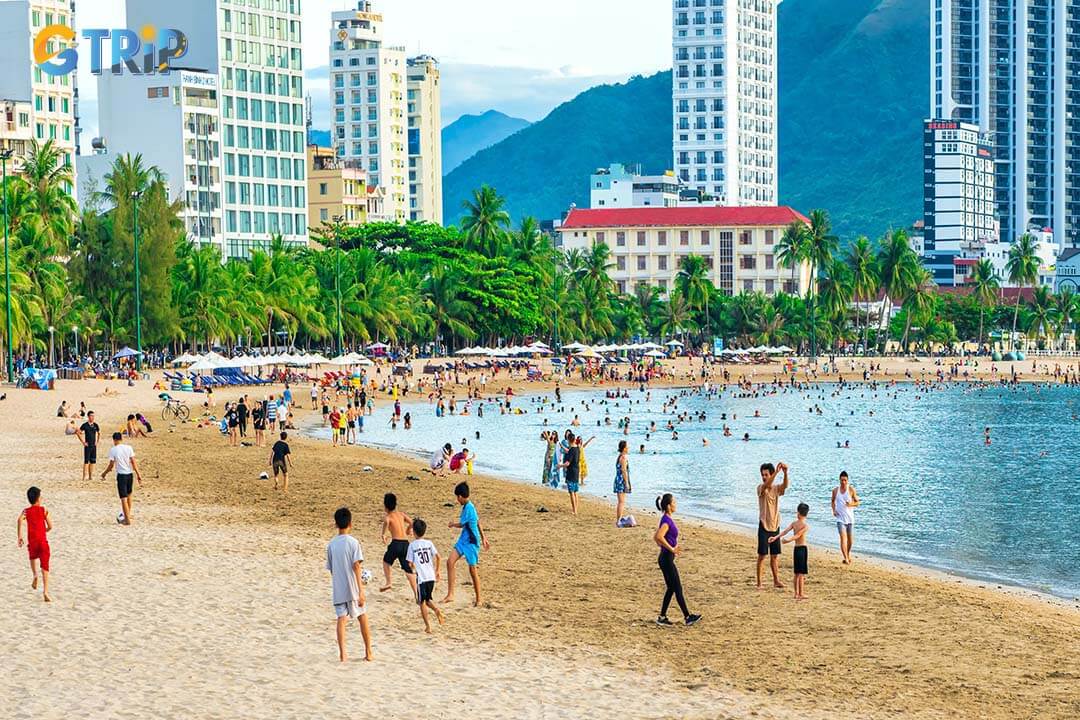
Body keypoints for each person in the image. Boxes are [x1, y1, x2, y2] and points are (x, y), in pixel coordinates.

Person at [326, 507, 372, 662]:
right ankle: (368, 652)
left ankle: (343, 654)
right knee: (362, 616)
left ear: (336, 524)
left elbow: (331, 569)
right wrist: (361, 591)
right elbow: (357, 566)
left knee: (341, 619)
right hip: (353, 588)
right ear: (350, 524)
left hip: (339, 589)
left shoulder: (331, 544)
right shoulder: (353, 543)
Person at [653, 493, 701, 626]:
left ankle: (662, 617)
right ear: (668, 506)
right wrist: (671, 549)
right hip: (666, 559)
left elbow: (656, 538)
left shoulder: (665, 519)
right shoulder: (667, 521)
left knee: (671, 588)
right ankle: (687, 617)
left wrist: (667, 546)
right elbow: (658, 536)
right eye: (674, 502)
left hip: (665, 558)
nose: (675, 504)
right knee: (677, 588)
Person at [442, 482, 489, 606]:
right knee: (450, 562)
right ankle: (450, 594)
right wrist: (485, 538)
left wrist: (452, 524)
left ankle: (479, 599)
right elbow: (478, 522)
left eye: (457, 497)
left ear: (461, 496)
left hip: (472, 542)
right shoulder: (468, 506)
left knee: (472, 570)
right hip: (463, 540)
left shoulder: (469, 508)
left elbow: (463, 524)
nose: (457, 500)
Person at [406, 517, 444, 634]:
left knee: (421, 602)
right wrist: (437, 571)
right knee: (427, 600)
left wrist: (412, 568)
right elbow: (438, 557)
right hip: (431, 576)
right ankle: (436, 610)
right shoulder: (429, 543)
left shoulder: (412, 546)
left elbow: (410, 563)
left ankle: (428, 625)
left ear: (414, 532)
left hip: (421, 578)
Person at [756, 461, 790, 590]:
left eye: (766, 474)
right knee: (762, 555)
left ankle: (776, 580)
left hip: (775, 525)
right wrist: (776, 472)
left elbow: (785, 486)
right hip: (764, 525)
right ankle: (759, 582)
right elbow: (766, 485)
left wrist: (785, 473)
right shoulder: (760, 488)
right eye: (762, 475)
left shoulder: (776, 489)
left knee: (775, 556)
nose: (764, 477)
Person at [17, 486, 53, 602]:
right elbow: (50, 526)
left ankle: (35, 575)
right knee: (45, 566)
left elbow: (19, 520)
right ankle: (46, 591)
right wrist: (45, 530)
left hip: (32, 541)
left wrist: (20, 536)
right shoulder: (44, 510)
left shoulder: (26, 511)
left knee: (32, 557)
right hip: (42, 541)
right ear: (38, 499)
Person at [769, 503, 810, 600]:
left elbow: (785, 532)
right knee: (801, 573)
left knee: (797, 573)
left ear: (798, 513)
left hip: (796, 549)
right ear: (807, 514)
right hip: (802, 549)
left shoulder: (794, 523)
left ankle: (797, 593)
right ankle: (801, 593)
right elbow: (797, 535)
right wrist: (787, 540)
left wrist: (776, 537)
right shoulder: (805, 526)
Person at [101, 431, 143, 526]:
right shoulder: (129, 448)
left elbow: (111, 465)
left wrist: (104, 473)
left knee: (123, 498)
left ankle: (127, 520)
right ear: (121, 439)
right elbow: (133, 462)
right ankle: (127, 514)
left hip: (122, 475)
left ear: (114, 440)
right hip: (130, 474)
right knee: (129, 496)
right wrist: (138, 474)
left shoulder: (113, 450)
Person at [378, 493, 416, 595]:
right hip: (406, 544)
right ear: (395, 505)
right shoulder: (401, 514)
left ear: (385, 507)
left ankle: (388, 582)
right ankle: (416, 593)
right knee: (408, 569)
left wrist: (383, 535)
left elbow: (385, 527)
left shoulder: (388, 517)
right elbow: (412, 522)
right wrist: (408, 530)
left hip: (396, 544)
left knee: (386, 562)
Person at [831, 471, 860, 564]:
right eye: (842, 480)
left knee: (850, 540)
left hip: (850, 519)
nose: (843, 482)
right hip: (840, 518)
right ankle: (846, 558)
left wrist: (851, 504)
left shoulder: (851, 490)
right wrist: (834, 510)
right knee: (843, 538)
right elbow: (832, 501)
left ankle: (847, 554)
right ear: (839, 480)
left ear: (847, 480)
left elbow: (857, 502)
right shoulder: (835, 490)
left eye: (845, 480)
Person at [559, 435, 583, 515]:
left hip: (571, 472)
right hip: (576, 471)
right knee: (575, 492)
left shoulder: (572, 450)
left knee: (572, 492)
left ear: (569, 440)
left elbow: (567, 463)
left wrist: (560, 466)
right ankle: (576, 509)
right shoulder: (577, 449)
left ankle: (574, 510)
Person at [75, 410, 101, 482]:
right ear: (88, 416)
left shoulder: (96, 425)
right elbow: (78, 433)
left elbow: (99, 433)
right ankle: (84, 477)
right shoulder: (85, 425)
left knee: (92, 461)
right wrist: (83, 442)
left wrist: (97, 441)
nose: (92, 417)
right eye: (91, 416)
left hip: (94, 446)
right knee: (86, 462)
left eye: (93, 416)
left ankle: (90, 476)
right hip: (87, 445)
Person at [614, 440, 632, 526]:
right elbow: (624, 471)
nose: (628, 448)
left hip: (618, 479)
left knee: (621, 501)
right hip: (621, 480)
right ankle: (619, 520)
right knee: (621, 502)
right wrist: (627, 483)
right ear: (624, 448)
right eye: (627, 447)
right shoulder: (623, 458)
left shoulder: (620, 456)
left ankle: (619, 519)